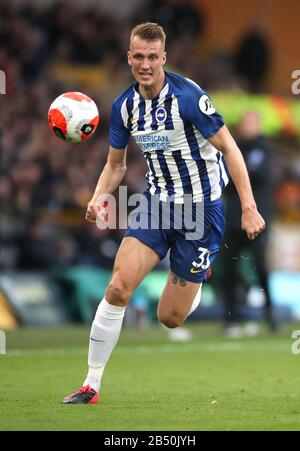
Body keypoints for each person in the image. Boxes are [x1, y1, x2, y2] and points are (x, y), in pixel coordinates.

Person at [62, 22, 265, 404]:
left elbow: (231, 149)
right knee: (118, 287)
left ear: (164, 58)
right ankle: (91, 384)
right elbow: (116, 165)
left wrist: (249, 208)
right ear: (129, 58)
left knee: (170, 318)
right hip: (156, 205)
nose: (145, 64)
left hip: (202, 211)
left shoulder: (189, 97)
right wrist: (98, 196)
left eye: (153, 57)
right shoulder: (124, 106)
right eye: (138, 56)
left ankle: (196, 276)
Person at [219, 111, 278, 337]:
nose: (248, 126)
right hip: (233, 218)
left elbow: (262, 176)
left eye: (252, 122)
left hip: (258, 217)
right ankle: (230, 318)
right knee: (229, 269)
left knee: (261, 268)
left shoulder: (265, 149)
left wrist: (239, 177)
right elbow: (224, 178)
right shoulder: (233, 147)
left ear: (259, 125)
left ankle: (270, 314)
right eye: (245, 122)